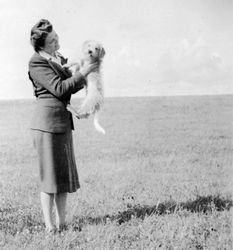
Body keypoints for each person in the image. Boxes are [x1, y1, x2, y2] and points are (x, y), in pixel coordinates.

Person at [28, 19, 97, 233]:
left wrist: (86, 71)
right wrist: (83, 73)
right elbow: (59, 88)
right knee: (50, 180)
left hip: (62, 123)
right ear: (42, 45)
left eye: (56, 36)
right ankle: (50, 228)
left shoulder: (58, 58)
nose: (57, 41)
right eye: (52, 40)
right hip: (47, 125)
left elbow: (71, 87)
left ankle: (62, 224)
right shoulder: (37, 62)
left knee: (62, 179)